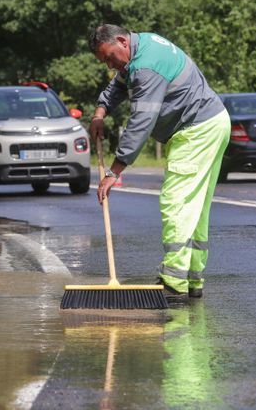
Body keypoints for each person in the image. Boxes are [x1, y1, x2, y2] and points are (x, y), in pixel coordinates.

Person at [88, 24, 230, 302]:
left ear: (121, 41)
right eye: (104, 61)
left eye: (109, 57)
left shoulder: (147, 67)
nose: (110, 65)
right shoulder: (143, 46)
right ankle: (191, 279)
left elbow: (141, 122)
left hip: (196, 130)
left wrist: (114, 172)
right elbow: (119, 82)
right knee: (195, 208)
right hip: (213, 123)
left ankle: (173, 282)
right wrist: (100, 111)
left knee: (176, 201)